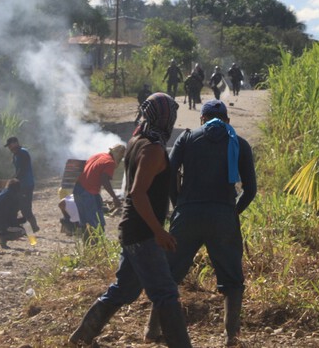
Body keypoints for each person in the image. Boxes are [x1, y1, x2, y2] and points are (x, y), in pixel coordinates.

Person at [69, 93, 191, 348]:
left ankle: (81, 337)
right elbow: (137, 193)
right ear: (166, 118)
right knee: (166, 293)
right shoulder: (153, 149)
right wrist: (158, 231)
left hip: (133, 230)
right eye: (172, 114)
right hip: (143, 233)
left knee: (124, 290)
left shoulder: (137, 139)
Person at [146, 98, 257, 346]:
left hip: (187, 216)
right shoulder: (239, 143)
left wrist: (179, 205)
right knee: (232, 280)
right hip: (223, 217)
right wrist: (232, 211)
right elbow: (250, 190)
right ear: (228, 121)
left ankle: (152, 329)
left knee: (169, 275)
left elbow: (168, 175)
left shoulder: (186, 139)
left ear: (201, 120)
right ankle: (230, 336)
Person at [73, 144, 126, 236]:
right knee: (95, 224)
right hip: (88, 192)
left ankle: (88, 247)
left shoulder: (98, 155)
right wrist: (115, 198)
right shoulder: (110, 162)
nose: (121, 159)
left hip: (78, 189)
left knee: (85, 223)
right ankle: (97, 247)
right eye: (121, 156)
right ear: (119, 155)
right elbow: (104, 180)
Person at [0, 178, 28, 248]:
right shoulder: (13, 199)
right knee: (22, 231)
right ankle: (3, 238)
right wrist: (22, 220)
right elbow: (12, 221)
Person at [5, 136, 38, 233]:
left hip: (26, 184)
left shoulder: (23, 153)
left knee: (25, 208)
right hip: (20, 185)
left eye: (10, 145)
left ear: (15, 143)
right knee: (17, 205)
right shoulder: (16, 154)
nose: (9, 148)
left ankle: (34, 228)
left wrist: (15, 179)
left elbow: (22, 170)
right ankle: (21, 227)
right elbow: (18, 170)